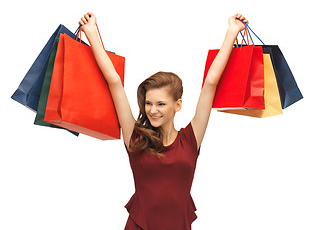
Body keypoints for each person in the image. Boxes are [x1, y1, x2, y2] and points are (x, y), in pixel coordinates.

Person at [79, 12, 248, 230]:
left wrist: (232, 32)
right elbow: (114, 82)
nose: (152, 110)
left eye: (161, 104)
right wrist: (92, 33)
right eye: (148, 103)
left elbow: (211, 82)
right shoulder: (135, 136)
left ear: (177, 105)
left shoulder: (190, 138)